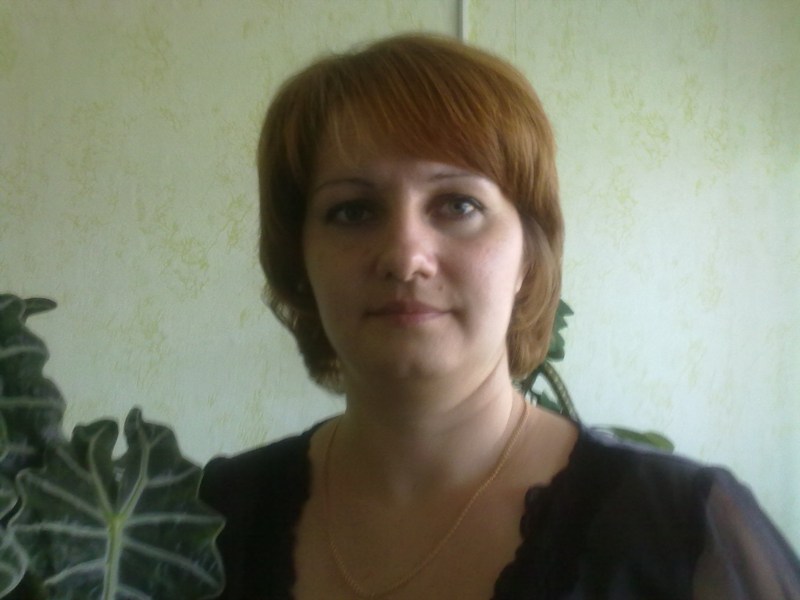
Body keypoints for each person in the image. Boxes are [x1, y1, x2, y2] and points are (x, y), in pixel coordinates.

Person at [200, 33, 800, 599]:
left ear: (527, 259)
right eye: (353, 211)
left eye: (458, 204)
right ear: (300, 261)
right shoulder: (209, 516)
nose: (405, 257)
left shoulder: (687, 533)